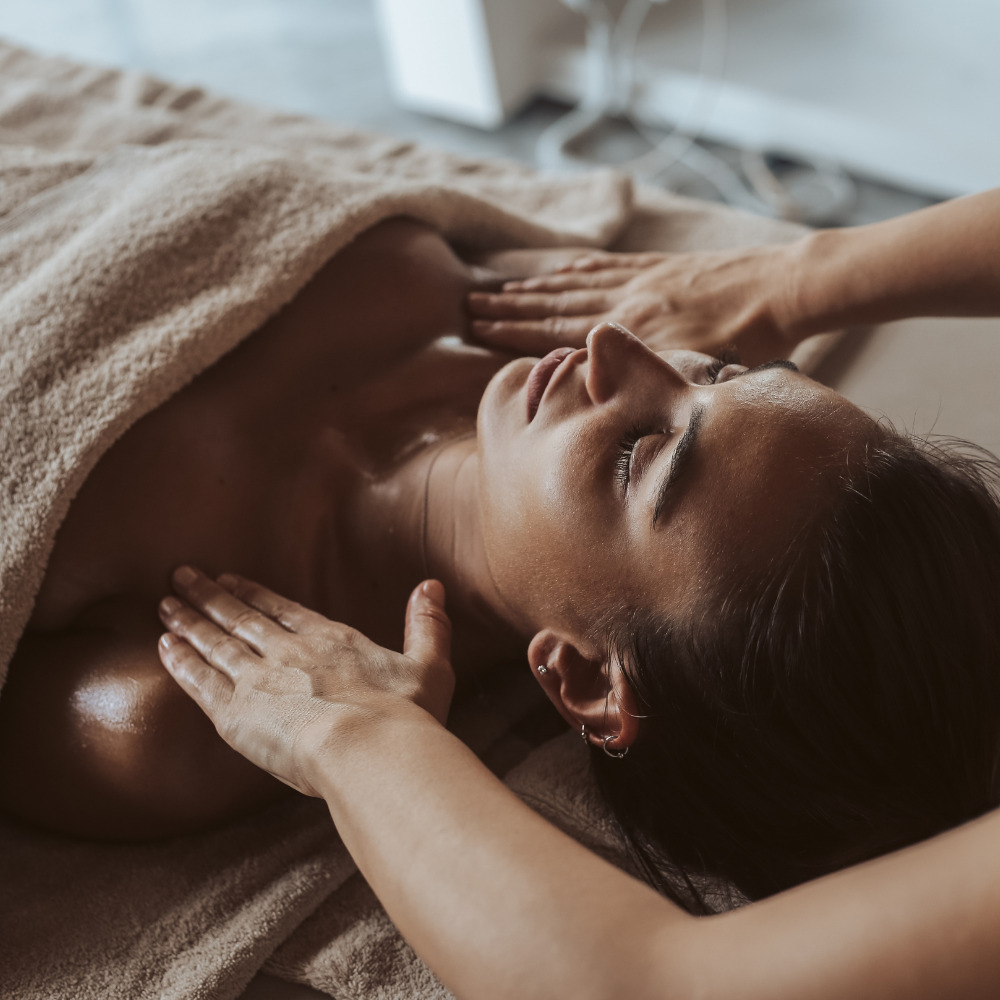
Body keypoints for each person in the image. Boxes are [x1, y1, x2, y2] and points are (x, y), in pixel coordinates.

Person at [1, 186, 998, 911]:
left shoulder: (191, 702)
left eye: (642, 453)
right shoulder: (542, 316)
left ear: (584, 680)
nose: (622, 351)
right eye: (725, 372)